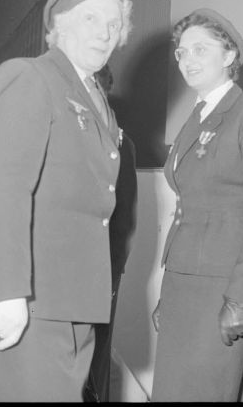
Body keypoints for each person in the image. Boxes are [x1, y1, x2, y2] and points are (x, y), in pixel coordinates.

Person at [0, 0, 133, 402]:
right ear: (60, 22)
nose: (105, 32)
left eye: (114, 23)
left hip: (69, 300)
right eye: (90, 17)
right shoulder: (30, 76)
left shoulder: (94, 98)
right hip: (25, 300)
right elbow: (0, 188)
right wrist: (10, 293)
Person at [151, 8, 243, 402]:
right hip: (183, 283)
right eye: (181, 52)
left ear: (228, 57)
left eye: (199, 49)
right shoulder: (195, 118)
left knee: (208, 392)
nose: (187, 60)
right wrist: (169, 290)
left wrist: (242, 298)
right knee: (174, 392)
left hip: (223, 286)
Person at [84, 65, 138, 402]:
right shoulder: (64, 131)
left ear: (109, 86)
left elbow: (125, 218)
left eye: (98, 82)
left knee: (96, 357)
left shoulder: (122, 142)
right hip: (58, 271)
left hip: (102, 268)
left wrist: (112, 272)